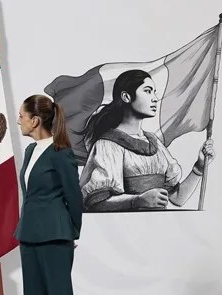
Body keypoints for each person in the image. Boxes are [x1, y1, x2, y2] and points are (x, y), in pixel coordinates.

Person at [14, 95, 83, 295]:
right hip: (29, 235)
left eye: (21, 115)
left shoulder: (61, 152)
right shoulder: (30, 152)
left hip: (56, 236)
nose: (18, 120)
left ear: (35, 120)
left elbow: (74, 197)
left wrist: (72, 233)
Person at [79, 69, 214, 211]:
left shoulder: (154, 143)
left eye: (154, 92)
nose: (155, 98)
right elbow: (97, 203)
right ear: (126, 97)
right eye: (148, 91)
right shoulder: (108, 145)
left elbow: (177, 198)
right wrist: (137, 201)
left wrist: (199, 166)